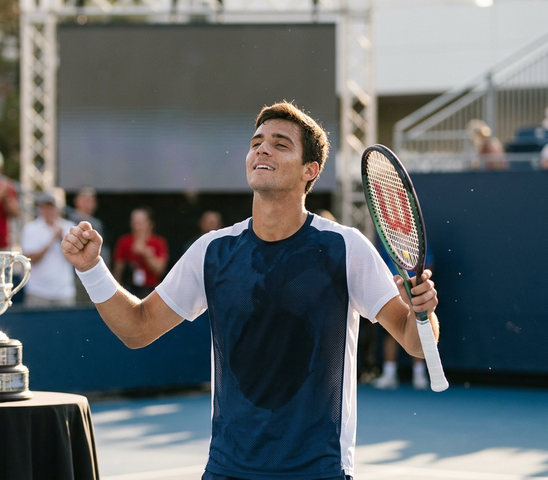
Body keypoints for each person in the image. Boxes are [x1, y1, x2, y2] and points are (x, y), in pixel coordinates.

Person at [62, 101, 441, 480]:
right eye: (256, 142)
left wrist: (423, 312)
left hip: (318, 471)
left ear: (310, 170)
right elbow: (137, 328)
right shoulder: (212, 251)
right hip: (226, 470)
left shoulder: (346, 248)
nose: (262, 149)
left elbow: (416, 343)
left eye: (280, 144)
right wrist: (92, 269)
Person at [371, 242, 435, 391]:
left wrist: (421, 284)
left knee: (418, 331)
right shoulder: (386, 241)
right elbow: (381, 266)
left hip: (415, 291)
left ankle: (419, 375)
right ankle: (389, 374)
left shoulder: (419, 242)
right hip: (392, 291)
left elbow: (429, 264)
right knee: (390, 333)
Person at [21, 190, 77, 308]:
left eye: (52, 206)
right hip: (38, 292)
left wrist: (62, 239)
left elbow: (76, 258)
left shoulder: (70, 227)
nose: (49, 211)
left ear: (59, 208)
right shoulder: (30, 229)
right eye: (45, 207)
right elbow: (30, 260)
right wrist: (52, 240)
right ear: (40, 208)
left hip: (64, 292)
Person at [111, 207, 169, 298]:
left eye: (140, 223)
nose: (137, 227)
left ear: (149, 224)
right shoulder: (124, 241)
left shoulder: (158, 242)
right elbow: (118, 270)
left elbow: (159, 270)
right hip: (130, 290)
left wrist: (146, 254)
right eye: (134, 223)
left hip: (152, 290)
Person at [65, 186, 108, 303]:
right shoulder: (67, 220)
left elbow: (103, 250)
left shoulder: (98, 224)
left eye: (91, 199)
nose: (89, 203)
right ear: (77, 201)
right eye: (85, 199)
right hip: (74, 275)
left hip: (94, 274)